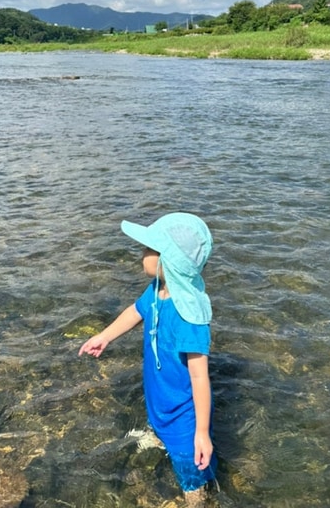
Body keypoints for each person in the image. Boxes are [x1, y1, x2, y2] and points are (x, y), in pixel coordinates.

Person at [79, 212, 217, 506]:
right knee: (156, 420)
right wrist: (104, 336)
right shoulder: (157, 290)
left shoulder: (189, 317)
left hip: (185, 419)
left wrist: (202, 433)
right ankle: (157, 436)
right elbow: (136, 311)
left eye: (148, 249)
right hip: (160, 401)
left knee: (190, 471)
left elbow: (199, 377)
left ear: (168, 261)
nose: (141, 253)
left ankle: (197, 499)